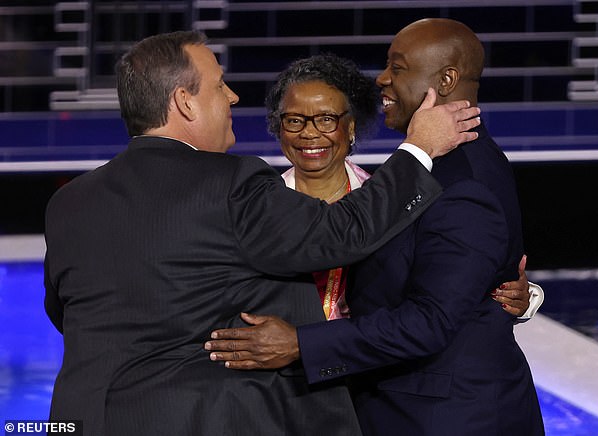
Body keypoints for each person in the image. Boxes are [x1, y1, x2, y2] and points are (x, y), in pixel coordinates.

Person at [43, 30, 480, 435]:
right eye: (218, 85)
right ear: (185, 102)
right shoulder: (230, 183)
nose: (232, 96)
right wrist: (419, 147)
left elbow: (68, 313)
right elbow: (344, 231)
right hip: (200, 419)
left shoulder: (69, 202)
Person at [207, 19, 545, 435]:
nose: (382, 79)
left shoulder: (447, 181)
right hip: (328, 400)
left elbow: (432, 317)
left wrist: (300, 343)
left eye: (397, 68)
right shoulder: (413, 177)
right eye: (294, 120)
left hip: (439, 415)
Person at [266, 53, 542, 321]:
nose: (309, 132)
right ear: (279, 128)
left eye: (326, 119)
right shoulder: (256, 202)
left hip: (366, 359)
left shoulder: (397, 198)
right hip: (273, 359)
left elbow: (442, 285)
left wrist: (516, 293)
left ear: (351, 126)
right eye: (294, 120)